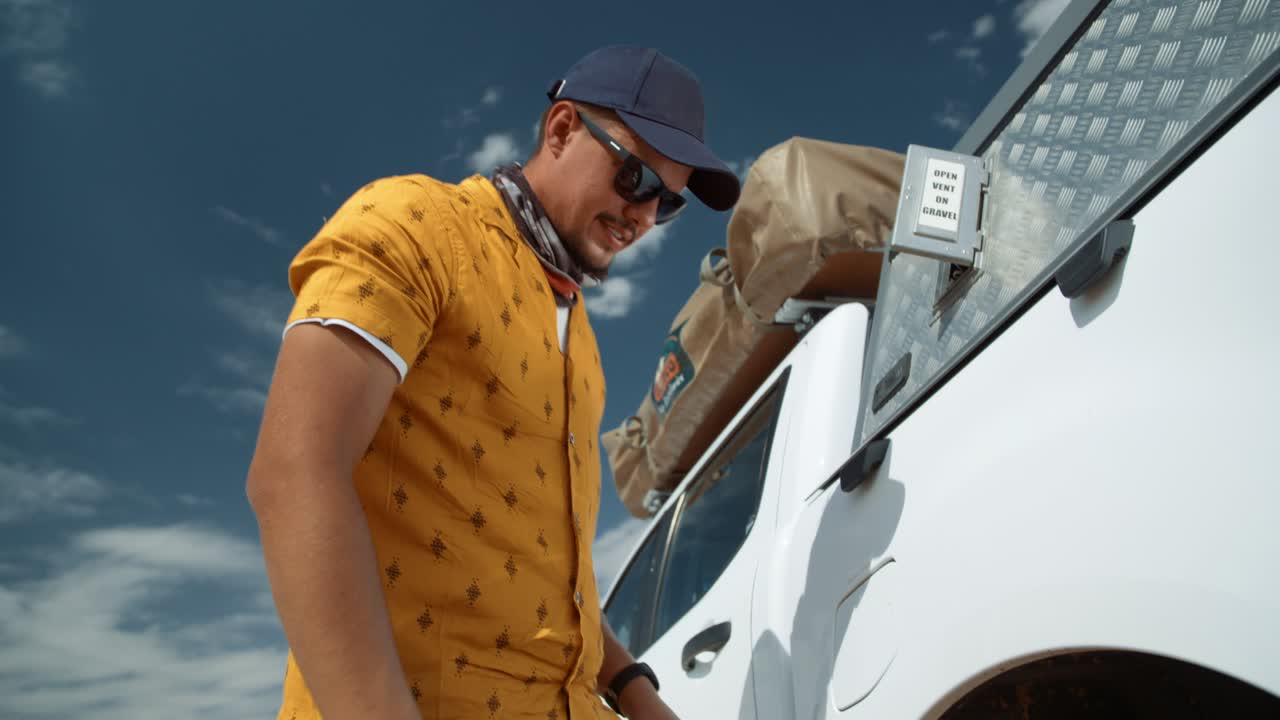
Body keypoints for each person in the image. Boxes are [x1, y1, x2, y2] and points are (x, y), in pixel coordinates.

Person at [246, 45, 740, 720]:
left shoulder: (583, 340)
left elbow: (558, 583)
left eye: (669, 202)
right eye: (636, 178)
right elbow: (294, 472)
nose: (646, 216)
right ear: (562, 130)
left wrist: (640, 696)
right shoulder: (416, 224)